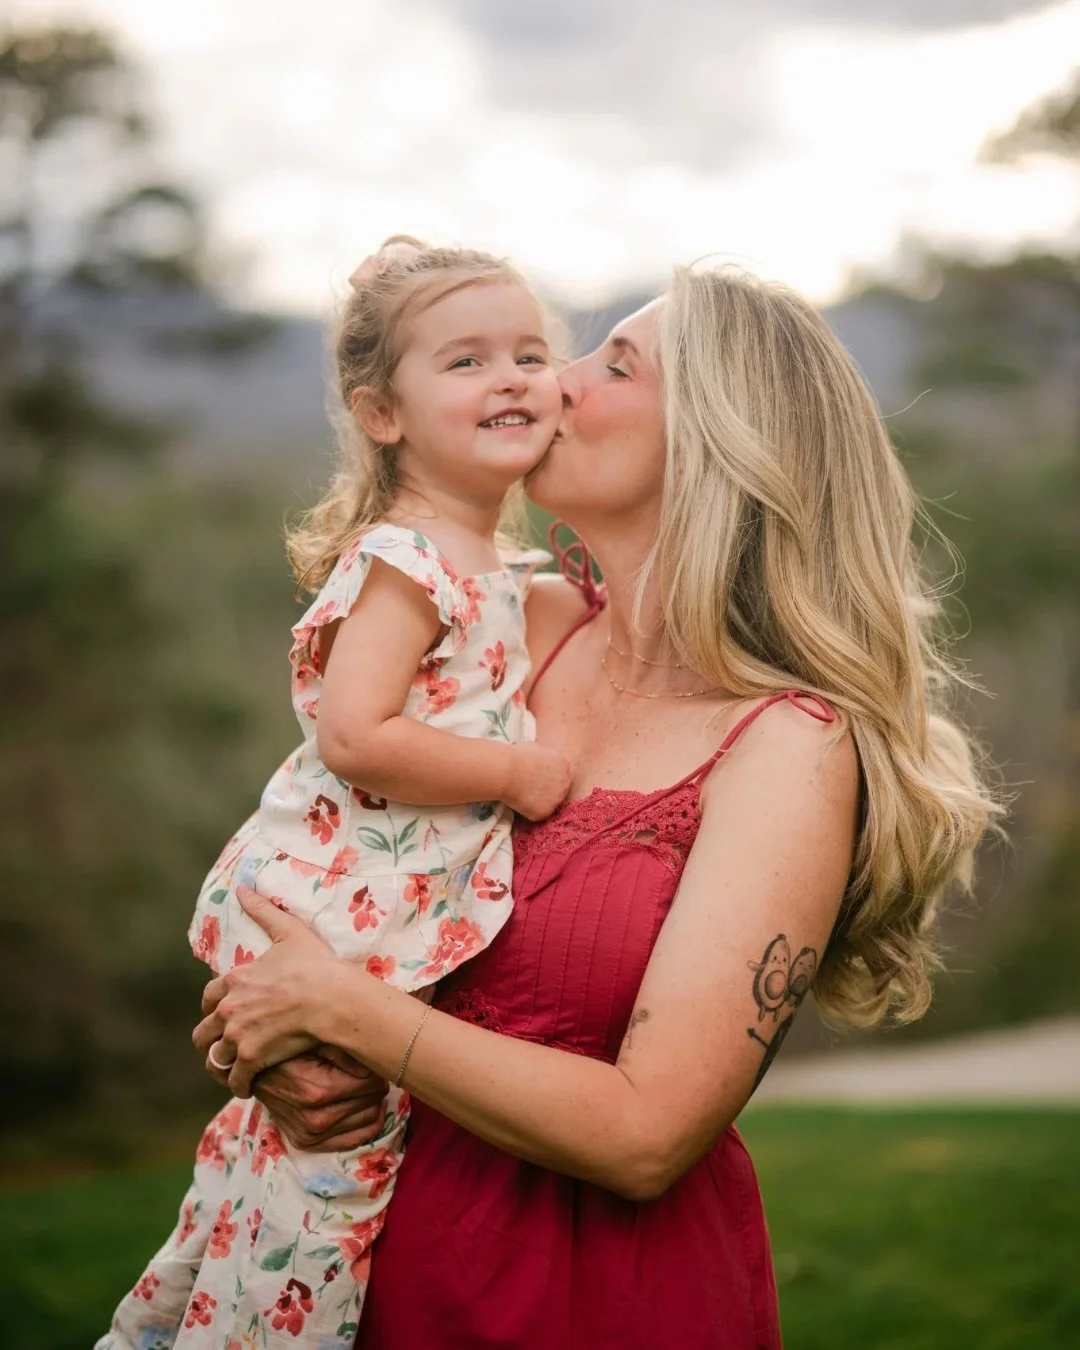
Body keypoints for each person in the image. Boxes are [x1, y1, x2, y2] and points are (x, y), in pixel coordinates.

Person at [195, 262, 1001, 1349]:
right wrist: (271, 1043)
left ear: (718, 440)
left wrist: (348, 1017)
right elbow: (339, 880)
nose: (555, 383)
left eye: (613, 364)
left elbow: (645, 1135)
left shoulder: (787, 745)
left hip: (599, 1295)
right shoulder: (508, 628)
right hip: (378, 1265)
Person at [97, 238, 572, 1349]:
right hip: (332, 904)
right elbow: (359, 734)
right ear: (381, 412)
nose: (510, 377)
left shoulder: (496, 568)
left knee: (309, 1180)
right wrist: (517, 772)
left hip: (381, 919)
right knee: (319, 1193)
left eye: (530, 353)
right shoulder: (409, 561)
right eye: (465, 361)